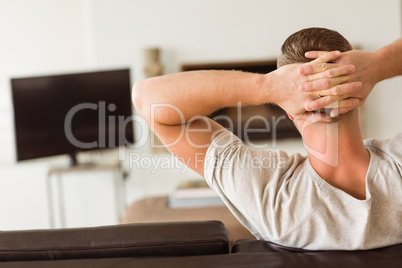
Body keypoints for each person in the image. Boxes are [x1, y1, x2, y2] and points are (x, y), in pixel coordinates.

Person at [133, 28, 402, 250]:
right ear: (359, 96)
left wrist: (268, 87)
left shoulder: (270, 199)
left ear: (288, 109)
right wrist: (379, 63)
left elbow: (146, 99)